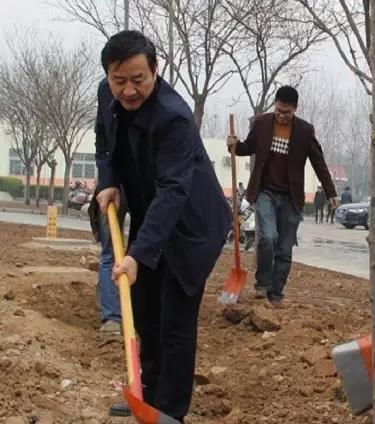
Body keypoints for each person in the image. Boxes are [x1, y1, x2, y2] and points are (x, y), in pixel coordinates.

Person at [94, 30, 231, 422]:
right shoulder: (108, 95)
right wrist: (108, 180)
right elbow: (105, 141)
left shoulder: (174, 117)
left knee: (175, 320)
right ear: (108, 76)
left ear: (156, 70)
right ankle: (146, 394)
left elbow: (173, 191)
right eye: (120, 81)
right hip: (151, 214)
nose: (129, 90)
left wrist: (138, 254)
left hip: (191, 225)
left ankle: (169, 412)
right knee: (145, 310)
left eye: (139, 79)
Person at [227, 85, 337, 306]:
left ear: (295, 108)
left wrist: (330, 191)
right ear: (275, 105)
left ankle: (276, 293)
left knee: (284, 248)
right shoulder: (262, 123)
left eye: (286, 112)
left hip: (291, 197)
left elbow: (318, 162)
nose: (282, 115)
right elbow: (248, 147)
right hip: (265, 192)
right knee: (268, 237)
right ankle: (262, 284)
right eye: (279, 110)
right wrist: (234, 146)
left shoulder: (305, 131)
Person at [88, 193, 128, 335]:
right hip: (117, 189)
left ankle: (112, 319)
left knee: (110, 255)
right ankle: (113, 317)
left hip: (112, 187)